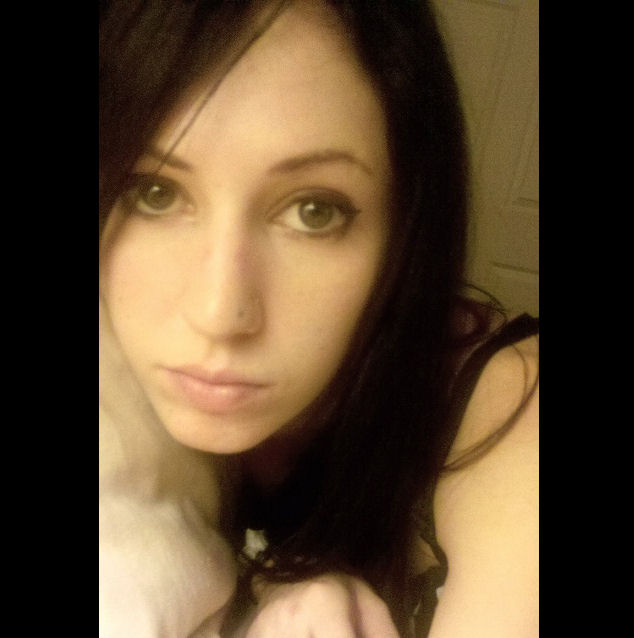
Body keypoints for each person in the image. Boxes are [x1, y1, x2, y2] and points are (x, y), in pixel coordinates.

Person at [98, 0, 539, 636]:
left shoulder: (515, 428)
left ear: (404, 228)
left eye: (314, 210)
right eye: (155, 193)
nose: (219, 314)